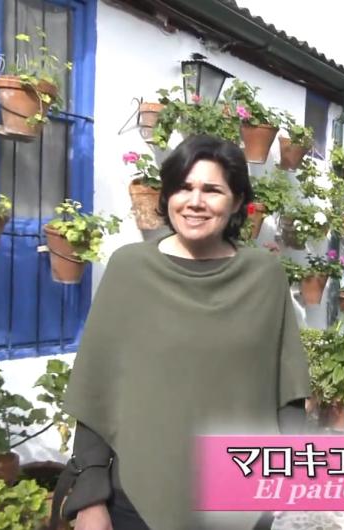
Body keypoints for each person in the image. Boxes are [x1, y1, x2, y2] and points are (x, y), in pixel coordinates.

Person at [57, 135, 311, 530]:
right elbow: (97, 388)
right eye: (184, 187)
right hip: (136, 500)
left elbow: (287, 390)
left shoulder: (264, 276)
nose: (195, 202)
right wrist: (90, 498)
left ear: (238, 201)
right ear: (168, 195)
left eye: (212, 190)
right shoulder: (130, 270)